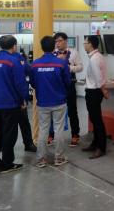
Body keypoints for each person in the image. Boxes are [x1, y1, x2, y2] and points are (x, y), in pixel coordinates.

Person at [0, 35, 29, 174]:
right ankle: (7, 163)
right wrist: (24, 99)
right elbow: (20, 83)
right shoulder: (13, 61)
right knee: (9, 134)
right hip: (10, 103)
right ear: (14, 46)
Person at [30, 36, 70, 168]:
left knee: (43, 130)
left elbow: (33, 83)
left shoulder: (35, 64)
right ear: (54, 47)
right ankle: (59, 158)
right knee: (59, 129)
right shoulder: (61, 63)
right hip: (59, 101)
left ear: (42, 47)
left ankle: (41, 159)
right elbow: (67, 82)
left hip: (42, 102)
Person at [49, 32, 83, 147]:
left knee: (72, 110)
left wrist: (68, 67)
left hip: (69, 84)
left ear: (66, 41)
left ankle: (75, 134)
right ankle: (51, 135)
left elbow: (80, 67)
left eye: (60, 41)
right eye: (56, 41)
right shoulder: (52, 53)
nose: (57, 43)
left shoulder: (73, 53)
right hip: (56, 85)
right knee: (53, 110)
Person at [82, 35, 109, 159]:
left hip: (94, 92)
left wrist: (103, 91)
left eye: (85, 43)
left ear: (91, 44)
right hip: (94, 91)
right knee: (94, 119)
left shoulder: (94, 59)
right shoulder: (96, 56)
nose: (84, 45)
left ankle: (101, 148)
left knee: (97, 121)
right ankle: (95, 143)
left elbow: (99, 78)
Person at [11, 51, 36, 153]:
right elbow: (28, 70)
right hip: (16, 97)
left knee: (21, 122)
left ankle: (27, 143)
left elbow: (28, 69)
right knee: (21, 123)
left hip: (7, 98)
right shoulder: (18, 58)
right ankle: (28, 144)